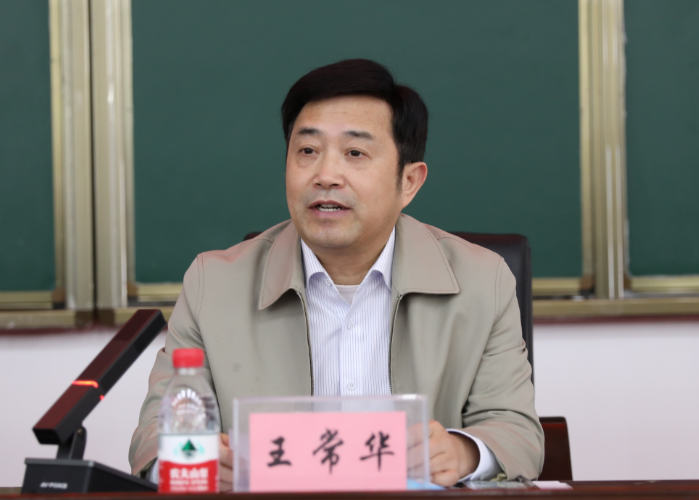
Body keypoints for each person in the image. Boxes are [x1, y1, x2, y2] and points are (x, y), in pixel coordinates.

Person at [129, 59, 543, 489]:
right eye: (307, 151)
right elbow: (151, 441)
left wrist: (461, 452)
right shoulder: (213, 285)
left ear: (409, 182)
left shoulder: (482, 281)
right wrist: (198, 459)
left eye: (355, 153)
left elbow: (517, 432)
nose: (325, 176)